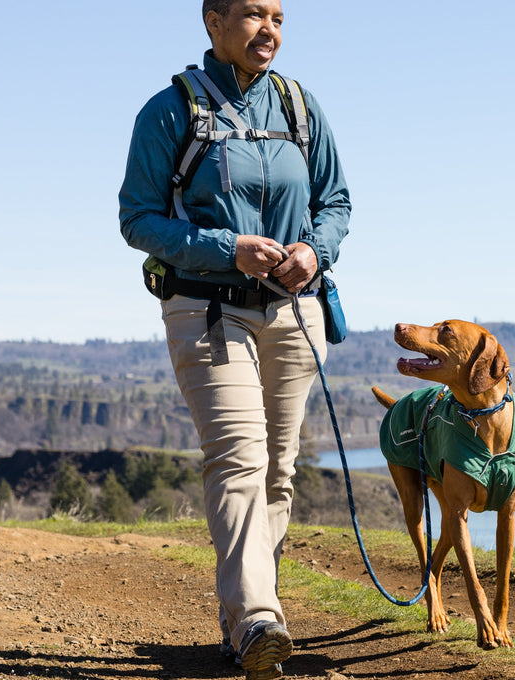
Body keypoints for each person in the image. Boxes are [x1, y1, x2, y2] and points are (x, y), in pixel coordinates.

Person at [118, 1, 349, 678]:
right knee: (240, 460)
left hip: (294, 314)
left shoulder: (301, 107)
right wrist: (228, 249)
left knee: (277, 470)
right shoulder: (169, 111)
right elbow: (138, 219)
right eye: (253, 13)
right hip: (207, 311)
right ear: (213, 21)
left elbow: (336, 202)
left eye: (279, 15)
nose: (270, 28)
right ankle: (257, 620)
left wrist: (315, 251)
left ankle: (245, 621)